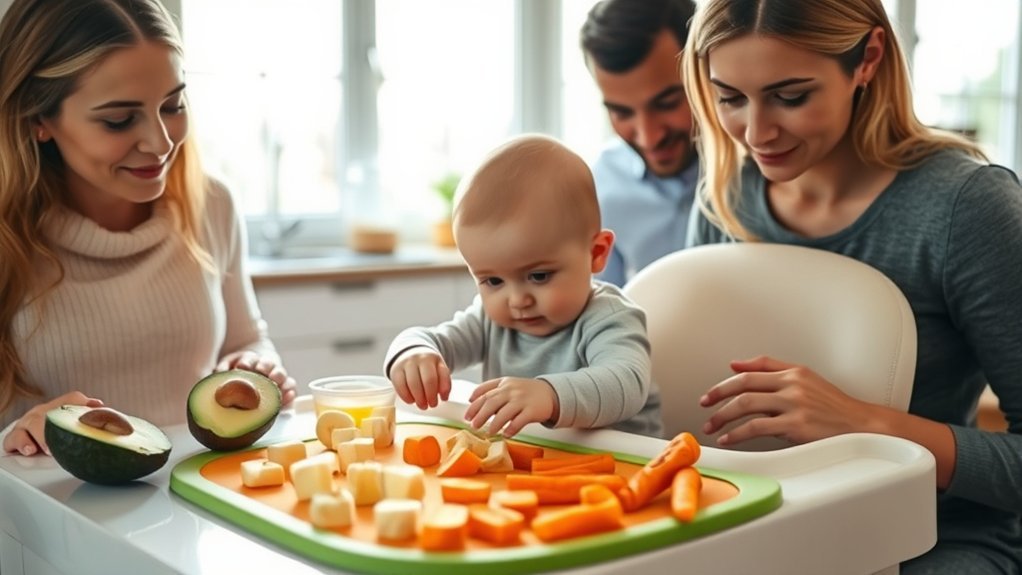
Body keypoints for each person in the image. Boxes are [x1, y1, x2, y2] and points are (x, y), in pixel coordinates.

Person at [681, 0, 1022, 572]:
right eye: (730, 97)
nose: (756, 133)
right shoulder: (726, 196)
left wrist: (865, 424)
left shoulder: (968, 209)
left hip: (933, 544)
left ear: (867, 58)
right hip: (757, 533)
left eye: (791, 96)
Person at [0, 0, 297, 457]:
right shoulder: (7, 237)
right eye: (119, 119)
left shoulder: (211, 204)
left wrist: (258, 364)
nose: (160, 142)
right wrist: (13, 437)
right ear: (39, 119)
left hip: (189, 509)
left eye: (173, 105)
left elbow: (246, 338)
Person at [384, 134, 661, 438]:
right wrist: (412, 352)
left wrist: (549, 395)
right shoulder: (490, 321)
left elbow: (626, 383)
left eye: (539, 276)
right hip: (532, 464)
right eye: (493, 281)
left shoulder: (610, 317)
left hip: (627, 468)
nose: (517, 300)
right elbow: (433, 339)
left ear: (596, 253)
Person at [580, 0, 699, 287]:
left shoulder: (764, 170)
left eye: (667, 103)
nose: (649, 137)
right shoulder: (598, 189)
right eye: (621, 112)